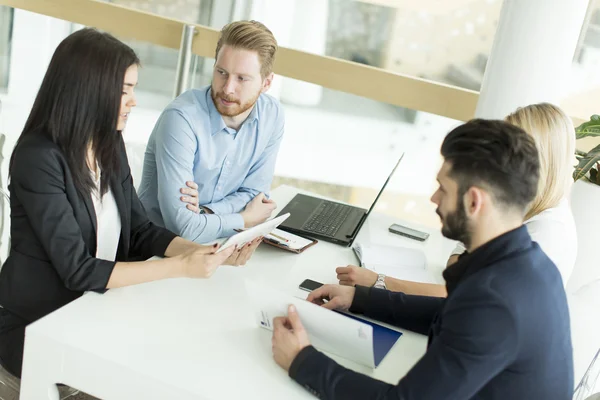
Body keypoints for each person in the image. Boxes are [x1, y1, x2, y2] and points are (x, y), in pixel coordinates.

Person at [0, 28, 260, 380]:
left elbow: (139, 230)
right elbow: (78, 269)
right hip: (38, 326)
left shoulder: (108, 143)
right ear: (90, 91)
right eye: (125, 91)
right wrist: (181, 266)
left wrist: (205, 252)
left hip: (97, 310)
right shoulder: (38, 158)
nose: (133, 101)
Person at [271, 119, 573, 399]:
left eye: (443, 188)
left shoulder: (494, 300)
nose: (434, 199)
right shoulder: (528, 263)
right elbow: (449, 311)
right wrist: (359, 298)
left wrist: (301, 360)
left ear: (473, 201)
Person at [337, 103, 577, 295]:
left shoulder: (548, 234)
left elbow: (466, 293)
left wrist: (379, 282)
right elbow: (458, 263)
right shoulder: (515, 204)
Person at [138, 20, 284, 243]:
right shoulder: (181, 118)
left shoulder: (271, 115)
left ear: (266, 83)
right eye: (221, 72)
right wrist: (243, 219)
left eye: (242, 78)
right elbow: (184, 227)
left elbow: (256, 196)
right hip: (156, 249)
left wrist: (205, 212)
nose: (227, 88)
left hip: (219, 246)